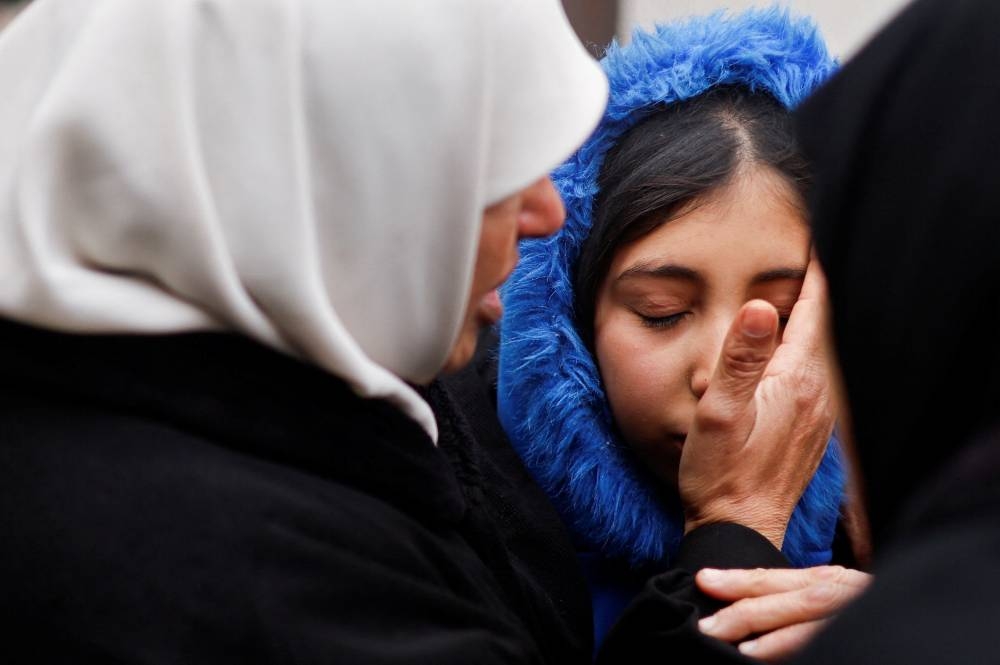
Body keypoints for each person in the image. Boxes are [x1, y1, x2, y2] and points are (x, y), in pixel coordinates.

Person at [0, 0, 612, 661]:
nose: (548, 212)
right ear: (322, 174)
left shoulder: (347, 391)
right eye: (491, 165)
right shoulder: (278, 592)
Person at [493, 8, 869, 659]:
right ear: (571, 321)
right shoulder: (473, 546)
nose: (722, 375)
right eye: (663, 311)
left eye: (780, 315)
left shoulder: (896, 543)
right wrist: (738, 526)